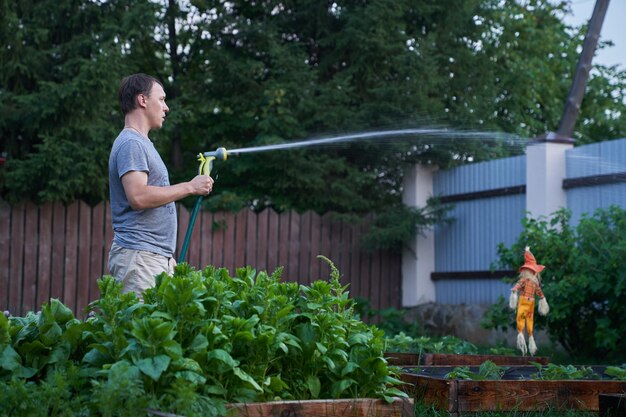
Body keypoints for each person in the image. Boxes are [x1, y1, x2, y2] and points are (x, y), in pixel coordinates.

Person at [108, 73, 213, 297]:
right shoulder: (131, 143)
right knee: (141, 331)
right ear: (142, 100)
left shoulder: (142, 144)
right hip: (140, 258)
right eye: (162, 99)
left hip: (154, 258)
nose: (166, 108)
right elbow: (138, 197)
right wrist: (190, 187)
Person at [509, 246, 550, 356]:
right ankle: (524, 336)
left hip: (527, 302)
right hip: (527, 301)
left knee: (526, 318)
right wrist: (514, 291)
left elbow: (539, 292)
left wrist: (542, 298)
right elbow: (519, 286)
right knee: (524, 318)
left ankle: (528, 336)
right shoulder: (528, 281)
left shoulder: (531, 283)